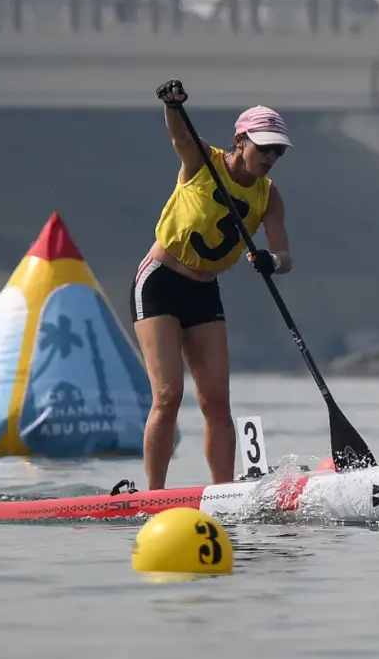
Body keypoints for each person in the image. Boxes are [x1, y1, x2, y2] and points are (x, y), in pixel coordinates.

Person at [130, 79, 295, 490]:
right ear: (240, 141)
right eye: (264, 147)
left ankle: (224, 494)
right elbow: (179, 133)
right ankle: (154, 495)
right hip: (159, 283)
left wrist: (268, 261)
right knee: (168, 397)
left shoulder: (269, 196)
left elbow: (285, 258)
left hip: (205, 292)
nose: (271, 157)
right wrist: (172, 104)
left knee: (217, 403)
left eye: (278, 150)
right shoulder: (204, 161)